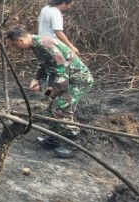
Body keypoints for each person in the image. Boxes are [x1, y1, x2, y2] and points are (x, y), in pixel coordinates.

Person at [5, 27, 94, 159]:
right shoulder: (37, 44)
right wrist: (37, 79)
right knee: (52, 104)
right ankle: (54, 139)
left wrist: (54, 89)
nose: (16, 47)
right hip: (65, 80)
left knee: (61, 106)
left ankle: (71, 144)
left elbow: (61, 68)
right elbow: (45, 63)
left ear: (20, 40)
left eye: (15, 44)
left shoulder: (45, 45)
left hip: (77, 81)